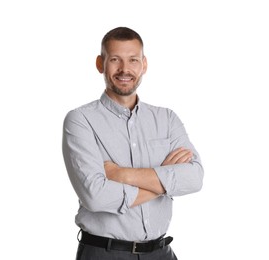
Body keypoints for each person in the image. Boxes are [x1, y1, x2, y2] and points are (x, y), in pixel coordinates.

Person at [62, 26, 204, 260]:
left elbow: (195, 177)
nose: (125, 69)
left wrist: (120, 174)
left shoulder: (167, 119)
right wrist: (166, 179)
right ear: (100, 64)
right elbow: (96, 196)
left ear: (144, 65)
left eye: (133, 60)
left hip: (161, 253)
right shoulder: (80, 120)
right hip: (105, 254)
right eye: (115, 59)